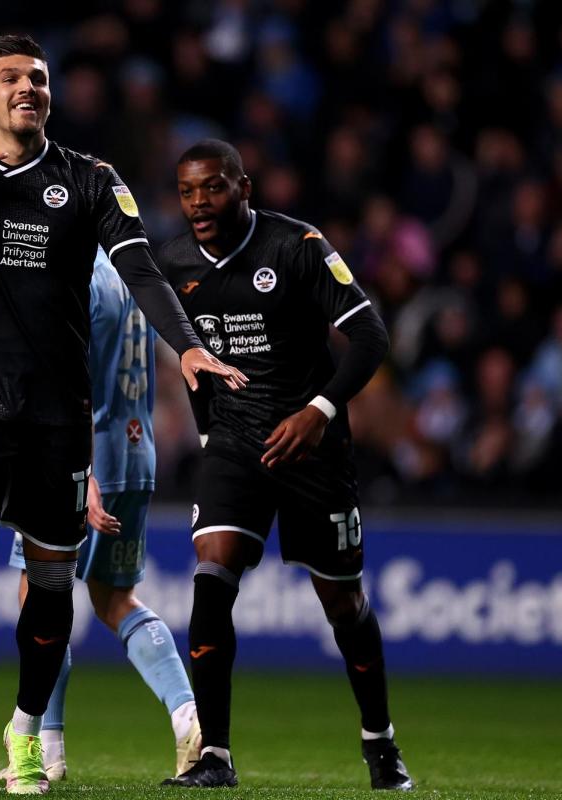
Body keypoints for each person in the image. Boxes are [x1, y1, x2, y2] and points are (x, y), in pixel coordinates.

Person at [0, 34, 245, 797]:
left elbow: (140, 268)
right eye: (10, 77)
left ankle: (23, 732)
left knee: (49, 590)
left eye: (38, 78)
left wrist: (185, 347)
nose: (28, 87)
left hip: (56, 418)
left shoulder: (88, 179)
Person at [157, 140, 412, 791]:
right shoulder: (176, 261)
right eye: (187, 192)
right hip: (235, 447)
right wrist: (212, 433)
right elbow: (195, 362)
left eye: (212, 188)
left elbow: (370, 336)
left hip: (312, 446)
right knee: (211, 573)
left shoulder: (295, 245)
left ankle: (378, 741)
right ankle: (214, 754)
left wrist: (320, 410)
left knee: (343, 603)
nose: (198, 204)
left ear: (243, 187)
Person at [0, 248, 200, 785]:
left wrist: (81, 471)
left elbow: (73, 384)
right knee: (115, 599)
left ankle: (45, 749)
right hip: (136, 454)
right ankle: (187, 716)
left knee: (38, 596)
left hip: (84, 462)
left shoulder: (71, 272)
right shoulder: (133, 272)